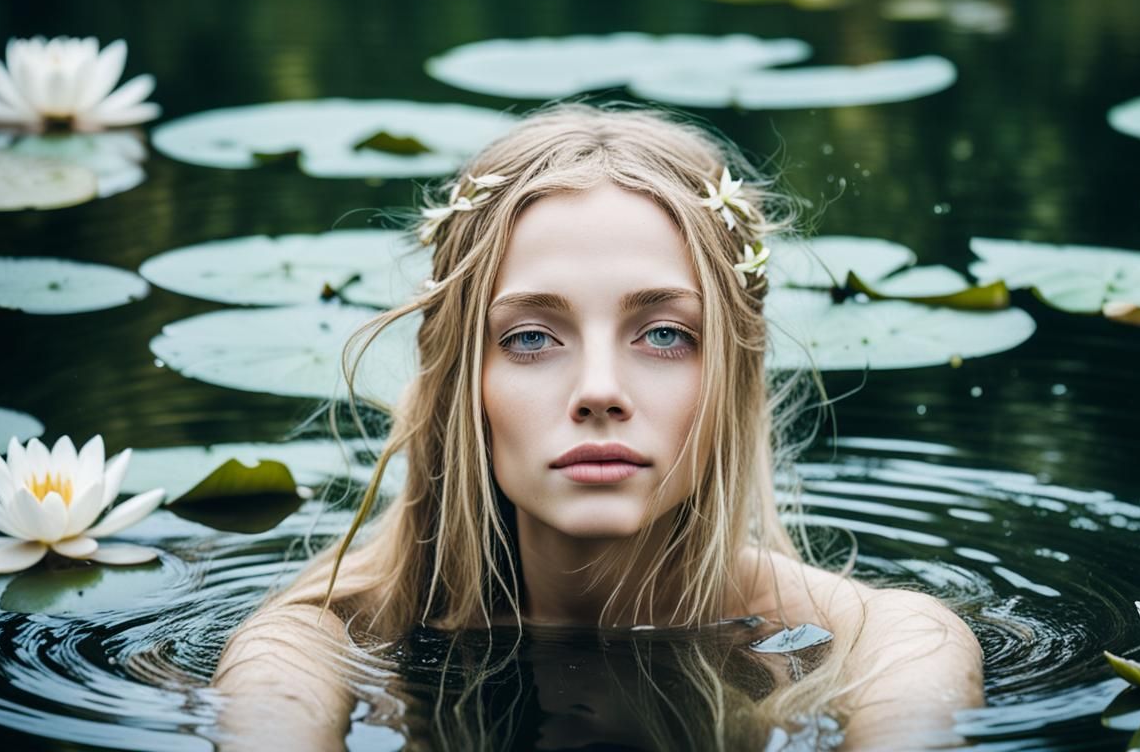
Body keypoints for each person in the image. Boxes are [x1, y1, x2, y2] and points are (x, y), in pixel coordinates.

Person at [212, 102, 983, 750]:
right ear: (459, 382)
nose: (600, 393)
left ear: (734, 374)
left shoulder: (891, 639)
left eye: (665, 334)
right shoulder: (312, 641)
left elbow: (915, 693)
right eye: (531, 338)